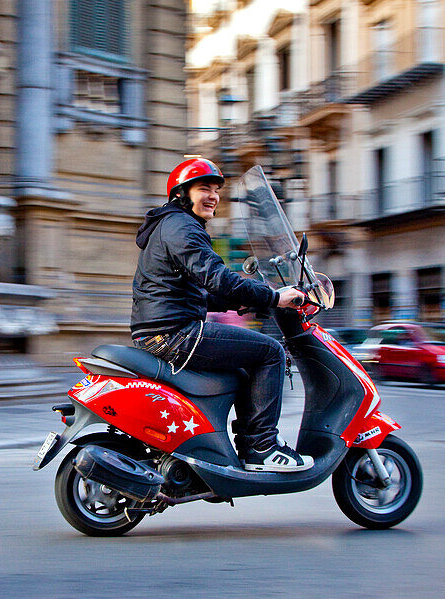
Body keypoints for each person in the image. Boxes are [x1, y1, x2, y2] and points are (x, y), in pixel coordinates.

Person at [131, 158, 312, 472]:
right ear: (182, 193)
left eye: (216, 190)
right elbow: (217, 277)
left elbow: (193, 292)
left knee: (244, 370)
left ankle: (247, 445)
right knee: (270, 352)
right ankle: (262, 448)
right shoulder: (182, 227)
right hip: (176, 333)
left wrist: (241, 302)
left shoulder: (173, 224)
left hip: (165, 329)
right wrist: (275, 297)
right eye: (204, 189)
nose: (213, 196)